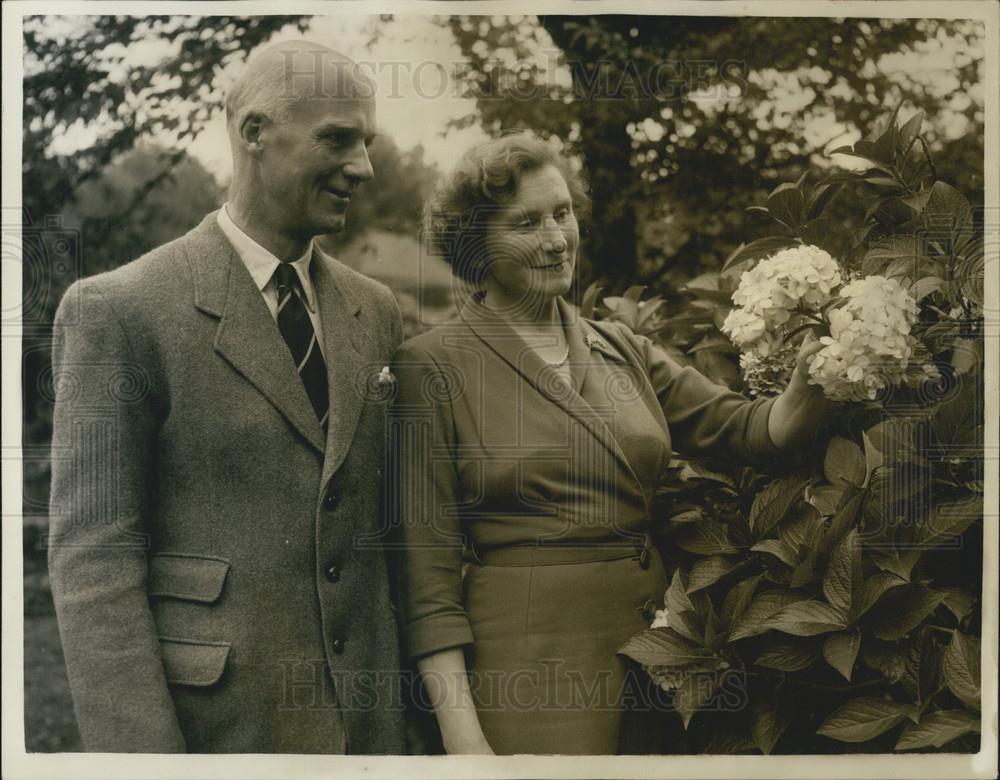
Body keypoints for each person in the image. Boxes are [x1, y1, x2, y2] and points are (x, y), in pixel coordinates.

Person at [388, 130, 832, 755]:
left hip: (650, 660)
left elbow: (749, 429)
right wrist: (466, 745)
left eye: (562, 213)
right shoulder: (431, 365)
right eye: (525, 223)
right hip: (526, 675)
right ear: (475, 246)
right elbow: (426, 582)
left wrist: (818, 374)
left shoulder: (621, 346)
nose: (555, 238)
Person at [47, 40, 406, 753]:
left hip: (374, 736)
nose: (362, 167)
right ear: (253, 133)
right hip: (221, 736)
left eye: (365, 143)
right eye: (336, 139)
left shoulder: (378, 311)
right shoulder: (120, 311)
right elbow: (95, 564)